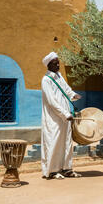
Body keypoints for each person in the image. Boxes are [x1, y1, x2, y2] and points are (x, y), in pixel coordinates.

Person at [41, 52, 82, 180]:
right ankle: (52, 171)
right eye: (55, 62)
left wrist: (73, 95)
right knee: (54, 142)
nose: (58, 64)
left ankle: (66, 168)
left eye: (58, 62)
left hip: (65, 116)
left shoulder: (59, 77)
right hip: (54, 118)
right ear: (49, 65)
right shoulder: (46, 80)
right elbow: (52, 101)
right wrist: (65, 113)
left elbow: (66, 89)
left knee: (66, 142)